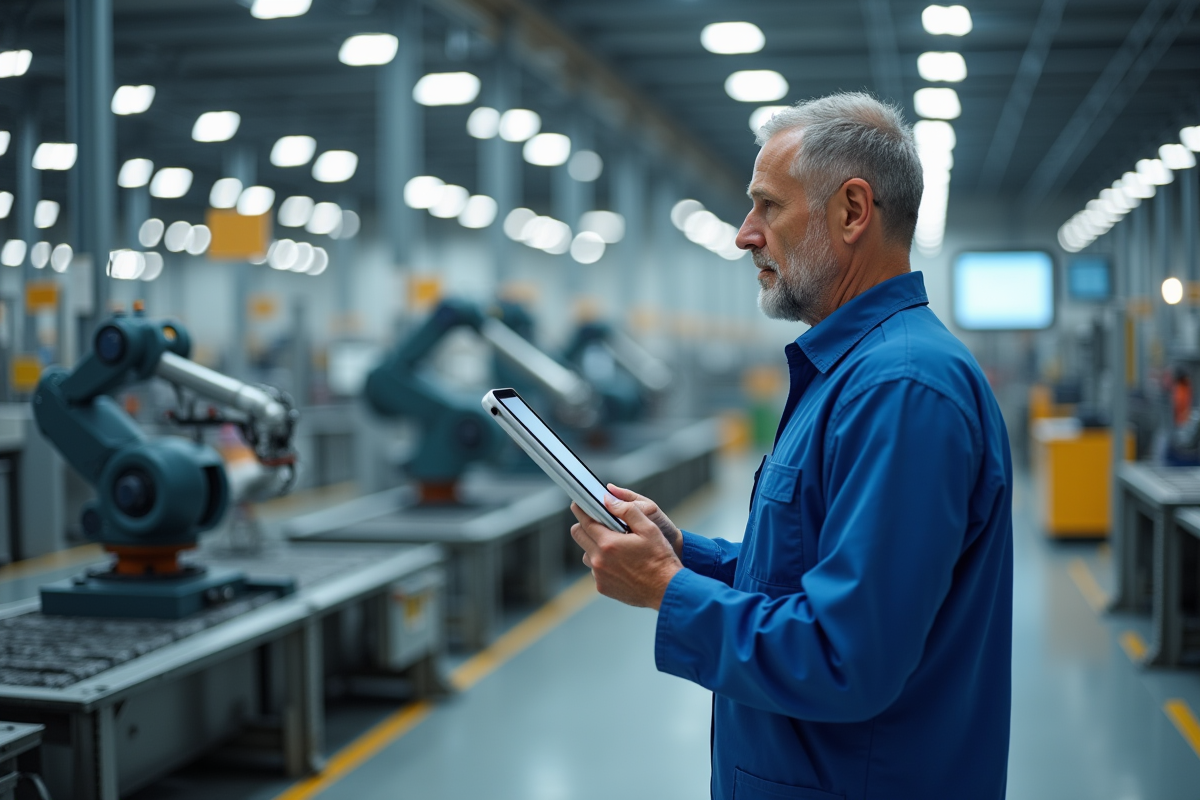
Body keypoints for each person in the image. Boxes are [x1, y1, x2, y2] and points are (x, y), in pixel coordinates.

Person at [569, 92, 1013, 800]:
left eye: (767, 207)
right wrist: (688, 556)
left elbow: (847, 658)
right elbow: (821, 573)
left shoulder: (898, 388)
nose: (746, 234)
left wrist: (667, 591)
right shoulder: (855, 373)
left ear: (851, 211)